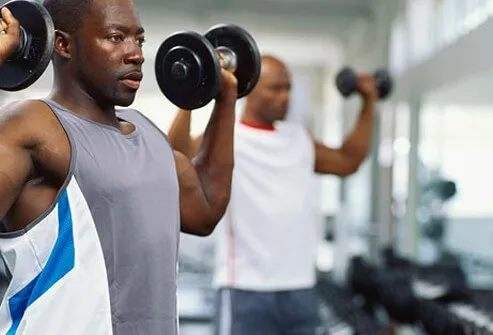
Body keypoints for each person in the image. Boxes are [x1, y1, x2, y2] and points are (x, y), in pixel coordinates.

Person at [0, 0, 238, 334]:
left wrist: (226, 96)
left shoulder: (147, 133)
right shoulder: (30, 125)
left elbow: (206, 208)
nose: (136, 54)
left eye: (139, 40)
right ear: (63, 44)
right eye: (115, 37)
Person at [168, 55, 378, 335]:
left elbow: (348, 160)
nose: (285, 97)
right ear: (250, 89)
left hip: (299, 289)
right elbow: (176, 156)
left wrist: (369, 102)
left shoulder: (299, 140)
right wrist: (191, 93)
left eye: (288, 88)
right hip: (244, 289)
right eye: (276, 88)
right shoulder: (226, 138)